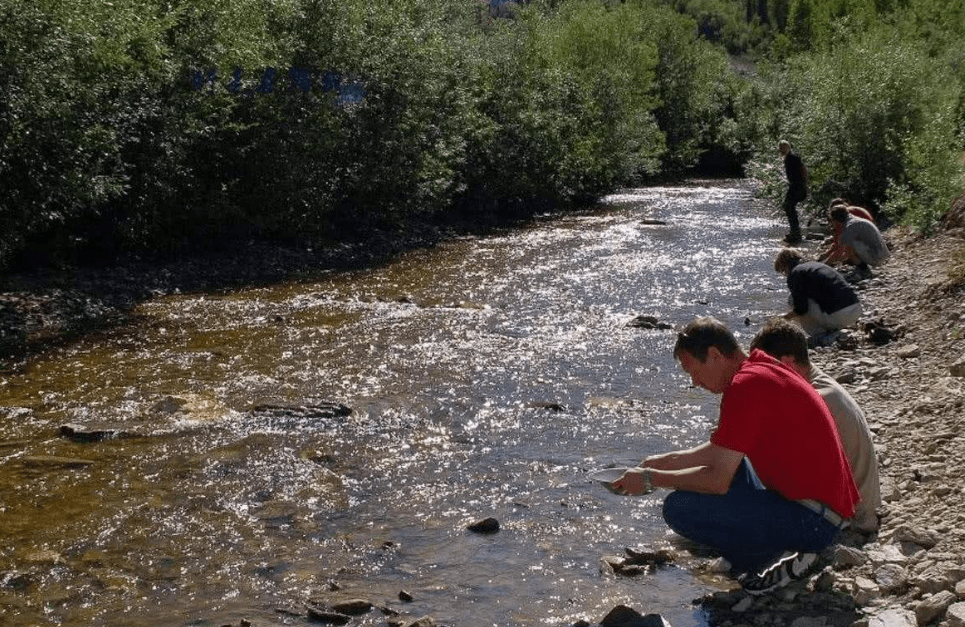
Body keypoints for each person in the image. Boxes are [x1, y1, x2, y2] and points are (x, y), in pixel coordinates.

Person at [611, 317, 859, 595]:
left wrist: (649, 480)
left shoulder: (745, 387)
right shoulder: (759, 367)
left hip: (814, 522)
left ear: (715, 355)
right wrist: (670, 460)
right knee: (725, 470)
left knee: (679, 507)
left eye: (693, 371)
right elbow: (724, 452)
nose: (694, 382)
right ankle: (765, 548)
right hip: (826, 509)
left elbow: (717, 479)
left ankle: (765, 560)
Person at [750, 319, 881, 532]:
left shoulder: (816, 401)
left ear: (786, 363)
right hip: (862, 508)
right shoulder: (817, 382)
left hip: (851, 521)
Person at [774, 248, 862, 341]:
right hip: (855, 309)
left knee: (792, 299)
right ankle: (833, 327)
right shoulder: (815, 266)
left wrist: (782, 319)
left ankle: (819, 335)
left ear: (785, 265)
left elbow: (801, 309)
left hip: (841, 315)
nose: (786, 275)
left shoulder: (795, 273)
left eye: (783, 271)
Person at [829, 204, 890, 276]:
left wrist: (824, 265)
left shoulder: (850, 226)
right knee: (846, 242)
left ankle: (863, 268)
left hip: (877, 257)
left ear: (836, 220)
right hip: (882, 254)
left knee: (846, 244)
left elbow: (840, 251)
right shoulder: (855, 220)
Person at [818, 199, 876, 265]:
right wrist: (828, 253)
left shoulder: (847, 222)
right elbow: (839, 241)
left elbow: (840, 246)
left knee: (847, 246)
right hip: (872, 243)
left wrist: (826, 262)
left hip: (874, 255)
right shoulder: (848, 214)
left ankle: (861, 266)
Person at [779, 140, 808, 244]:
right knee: (788, 207)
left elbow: (803, 170)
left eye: (783, 148)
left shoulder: (793, 157)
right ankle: (795, 232)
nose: (781, 150)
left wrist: (804, 185)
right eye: (780, 148)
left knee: (789, 206)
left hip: (798, 186)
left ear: (788, 148)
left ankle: (796, 233)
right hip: (794, 185)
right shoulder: (787, 158)